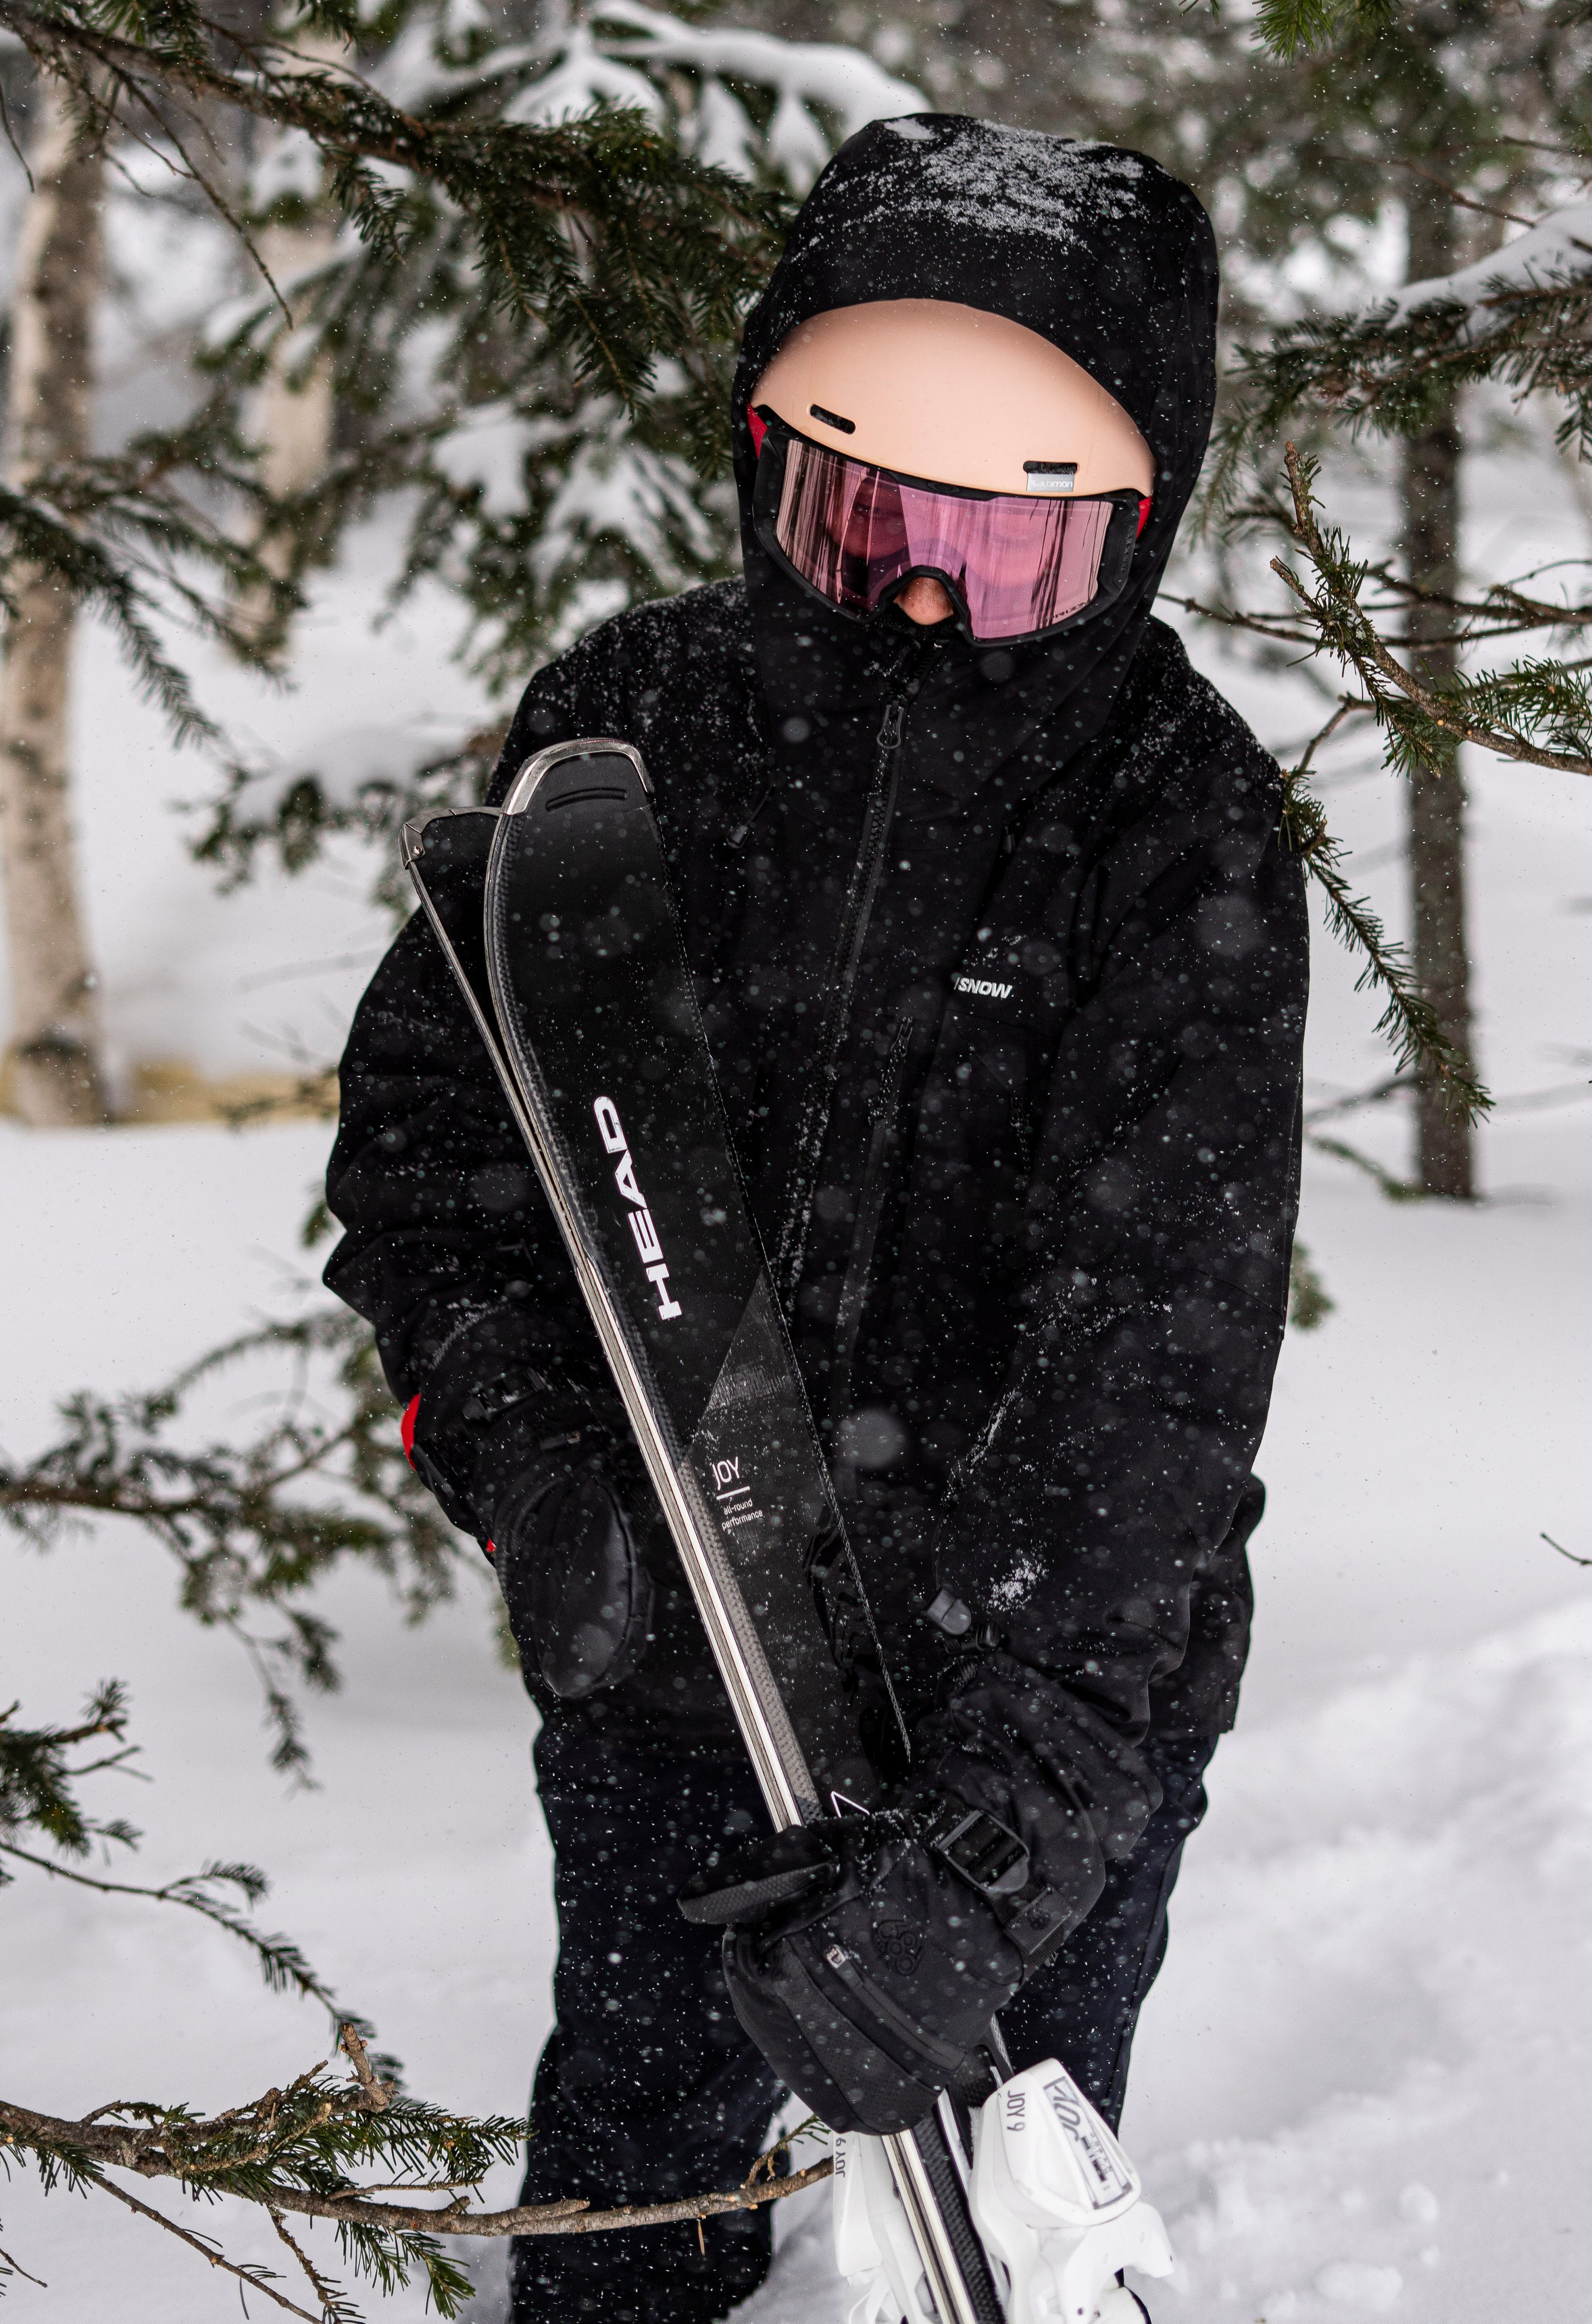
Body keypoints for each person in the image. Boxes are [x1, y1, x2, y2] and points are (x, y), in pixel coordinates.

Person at [324, 115, 1308, 2324]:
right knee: (632, 2197)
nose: (930, 601)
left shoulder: (1177, 822)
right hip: (680, 1647)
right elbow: (436, 1153)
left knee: (998, 2211)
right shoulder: (637, 728)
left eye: (1010, 545)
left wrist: (1013, 1827)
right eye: (867, 519)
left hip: (1037, 1700)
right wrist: (538, 1483)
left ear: (1138, 525)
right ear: (766, 461)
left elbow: (1160, 1357)